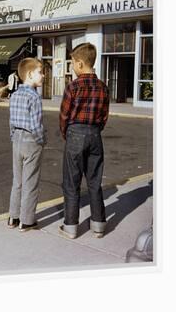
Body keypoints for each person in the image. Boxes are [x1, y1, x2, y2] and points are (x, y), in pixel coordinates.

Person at [58, 43, 110, 239]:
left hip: (75, 134)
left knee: (72, 182)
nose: (72, 67)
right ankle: (98, 224)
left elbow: (64, 115)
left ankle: (70, 226)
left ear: (80, 63)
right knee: (94, 181)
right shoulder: (103, 87)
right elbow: (104, 115)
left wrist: (67, 133)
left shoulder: (73, 86)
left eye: (72, 63)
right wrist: (94, 130)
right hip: (95, 134)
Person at [8, 58, 45, 232]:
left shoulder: (14, 95)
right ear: (30, 75)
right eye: (40, 72)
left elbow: (11, 121)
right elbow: (36, 124)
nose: (43, 75)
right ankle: (27, 220)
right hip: (31, 140)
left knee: (18, 180)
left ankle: (13, 217)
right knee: (30, 181)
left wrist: (13, 137)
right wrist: (41, 140)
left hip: (16, 139)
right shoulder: (35, 97)